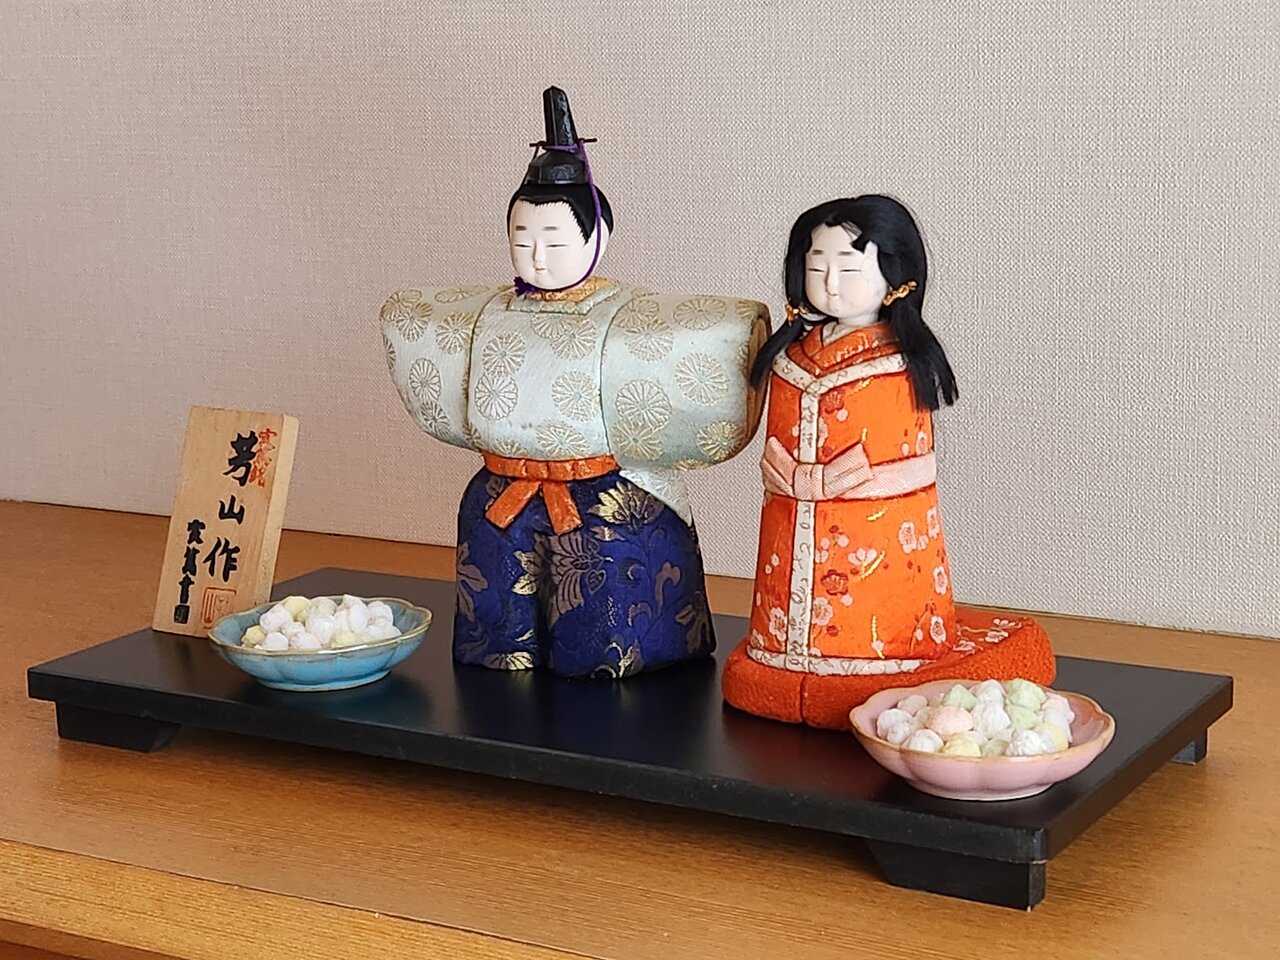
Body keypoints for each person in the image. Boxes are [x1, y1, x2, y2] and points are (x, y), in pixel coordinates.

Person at [382, 87, 768, 678]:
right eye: (523, 240)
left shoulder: (631, 317)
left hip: (605, 490)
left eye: (555, 242)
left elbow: (708, 338)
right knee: (496, 641)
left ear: (598, 237)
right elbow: (422, 326)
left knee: (603, 636)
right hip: (502, 491)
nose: (537, 257)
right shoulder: (485, 312)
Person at [721, 195, 1054, 728]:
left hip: (872, 528)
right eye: (817, 267)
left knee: (877, 605)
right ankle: (785, 650)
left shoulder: (896, 363)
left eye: (850, 268)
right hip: (788, 516)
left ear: (895, 277)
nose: (831, 283)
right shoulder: (789, 358)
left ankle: (881, 656)